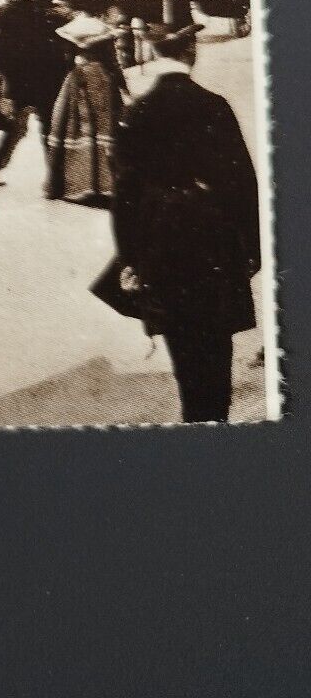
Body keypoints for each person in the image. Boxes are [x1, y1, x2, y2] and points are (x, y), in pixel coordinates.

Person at [107, 23, 260, 422]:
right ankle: (216, 421)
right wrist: (252, 249)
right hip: (216, 244)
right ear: (192, 51)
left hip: (160, 247)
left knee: (183, 347)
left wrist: (129, 260)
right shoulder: (215, 105)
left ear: (154, 53)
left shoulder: (136, 112)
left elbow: (124, 195)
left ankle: (195, 420)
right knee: (216, 347)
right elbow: (243, 181)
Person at [0, 0, 70, 183]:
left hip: (20, 81)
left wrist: (11, 80)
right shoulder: (43, 13)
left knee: (16, 128)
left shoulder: (6, 13)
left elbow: (0, 54)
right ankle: (54, 177)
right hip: (46, 80)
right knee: (48, 127)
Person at [44, 14, 125, 205]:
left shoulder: (76, 73)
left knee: (79, 139)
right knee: (103, 139)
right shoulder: (107, 73)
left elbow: (60, 114)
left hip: (77, 114)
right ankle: (104, 183)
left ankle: (83, 183)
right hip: (104, 116)